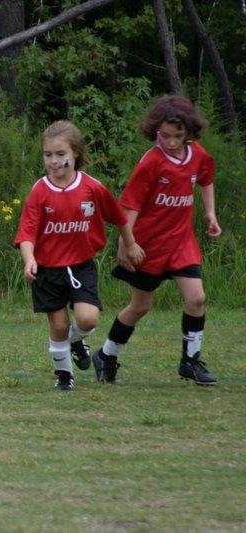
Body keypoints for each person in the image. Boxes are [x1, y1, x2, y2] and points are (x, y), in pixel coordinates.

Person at [93, 95, 222, 386]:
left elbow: (205, 179)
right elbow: (130, 206)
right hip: (147, 245)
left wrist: (210, 212)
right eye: (165, 136)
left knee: (197, 298)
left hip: (181, 242)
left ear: (189, 131)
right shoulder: (151, 162)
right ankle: (107, 355)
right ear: (155, 131)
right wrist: (127, 244)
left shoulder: (198, 154)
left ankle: (190, 361)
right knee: (140, 306)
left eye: (178, 135)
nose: (172, 142)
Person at [15, 121, 144, 391]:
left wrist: (130, 244)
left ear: (75, 153)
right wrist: (29, 260)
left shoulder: (92, 188)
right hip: (47, 271)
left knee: (88, 319)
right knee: (59, 326)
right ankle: (64, 376)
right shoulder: (40, 190)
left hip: (80, 266)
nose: (53, 161)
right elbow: (26, 232)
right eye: (47, 155)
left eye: (60, 154)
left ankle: (75, 341)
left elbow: (118, 217)